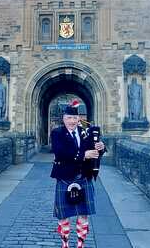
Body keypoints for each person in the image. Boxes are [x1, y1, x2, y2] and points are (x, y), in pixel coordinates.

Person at [50, 101, 105, 248]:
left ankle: (80, 244)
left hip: (84, 177)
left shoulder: (85, 132)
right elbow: (60, 152)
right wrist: (83, 155)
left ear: (78, 119)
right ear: (64, 119)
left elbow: (93, 150)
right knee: (63, 215)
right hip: (65, 177)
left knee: (83, 214)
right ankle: (65, 243)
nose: (72, 121)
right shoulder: (57, 133)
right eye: (69, 118)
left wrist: (101, 147)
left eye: (75, 118)